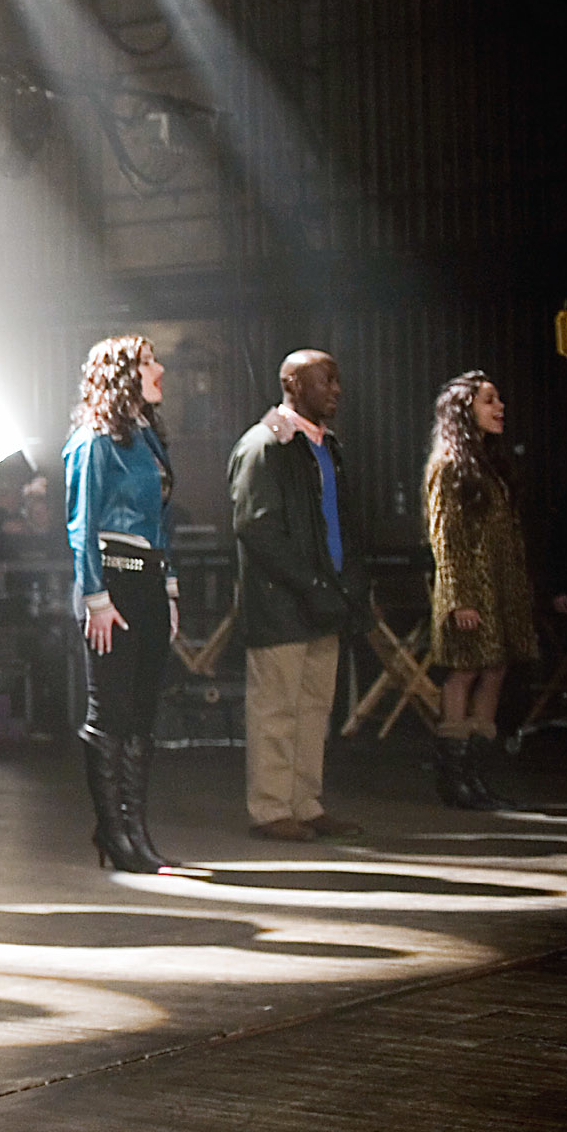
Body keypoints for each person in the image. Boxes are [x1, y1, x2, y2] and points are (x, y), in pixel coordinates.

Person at [227, 349, 366, 842]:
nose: (336, 389)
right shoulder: (265, 446)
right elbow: (256, 529)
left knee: (313, 709)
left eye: (336, 379)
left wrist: (344, 585)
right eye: (325, 380)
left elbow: (338, 522)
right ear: (292, 384)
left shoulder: (324, 446)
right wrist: (310, 585)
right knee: (276, 710)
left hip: (320, 599)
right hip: (282, 601)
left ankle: (304, 803)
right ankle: (270, 809)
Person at [65, 335, 180, 873]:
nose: (159, 369)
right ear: (122, 373)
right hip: (112, 583)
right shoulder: (94, 442)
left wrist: (171, 589)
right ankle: (113, 831)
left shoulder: (147, 438)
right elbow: (81, 525)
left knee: (140, 714)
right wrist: (95, 598)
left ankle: (134, 828)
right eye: (148, 362)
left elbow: (161, 520)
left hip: (150, 582)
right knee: (108, 713)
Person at [423, 372, 538, 809]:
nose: (500, 408)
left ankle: (476, 772)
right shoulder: (449, 465)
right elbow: (445, 536)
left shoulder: (491, 466)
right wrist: (459, 598)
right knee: (466, 671)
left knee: (495, 669)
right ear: (465, 409)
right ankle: (453, 777)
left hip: (500, 590)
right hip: (470, 589)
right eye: (489, 400)